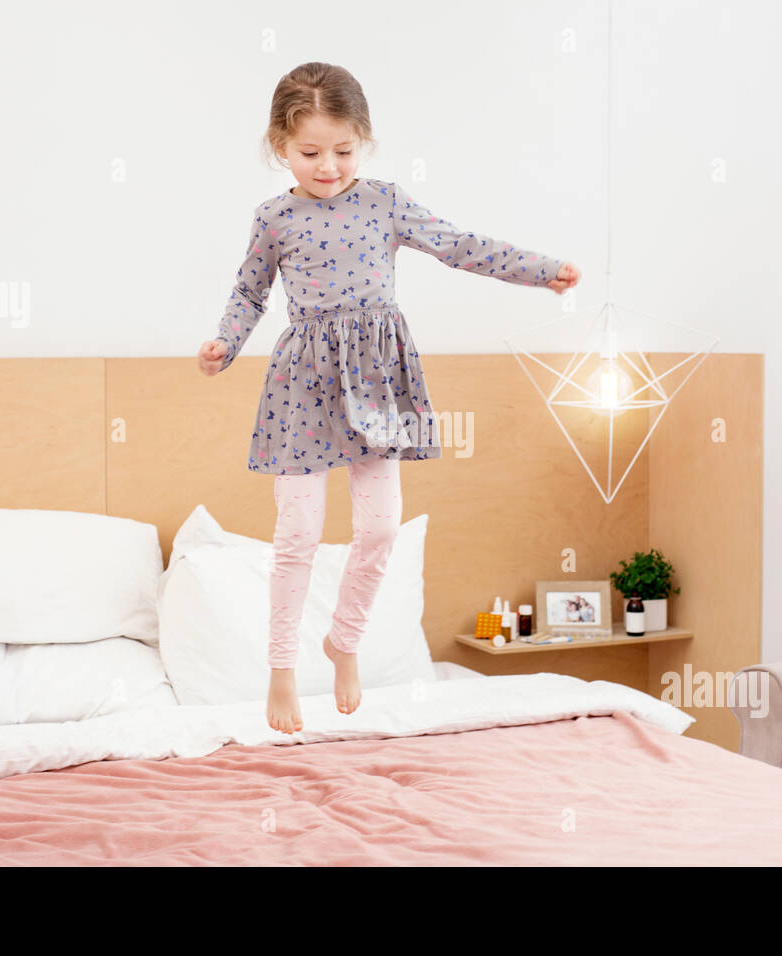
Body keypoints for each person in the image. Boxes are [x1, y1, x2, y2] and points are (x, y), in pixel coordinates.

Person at [198, 62, 580, 734]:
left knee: (378, 529)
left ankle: (344, 642)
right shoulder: (274, 217)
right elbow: (249, 292)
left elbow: (459, 246)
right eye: (310, 152)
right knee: (299, 535)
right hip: (303, 383)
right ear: (278, 146)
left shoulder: (385, 202)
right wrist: (225, 344)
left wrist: (541, 271)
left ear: (362, 142)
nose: (327, 167)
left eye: (342, 151)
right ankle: (282, 670)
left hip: (377, 378)